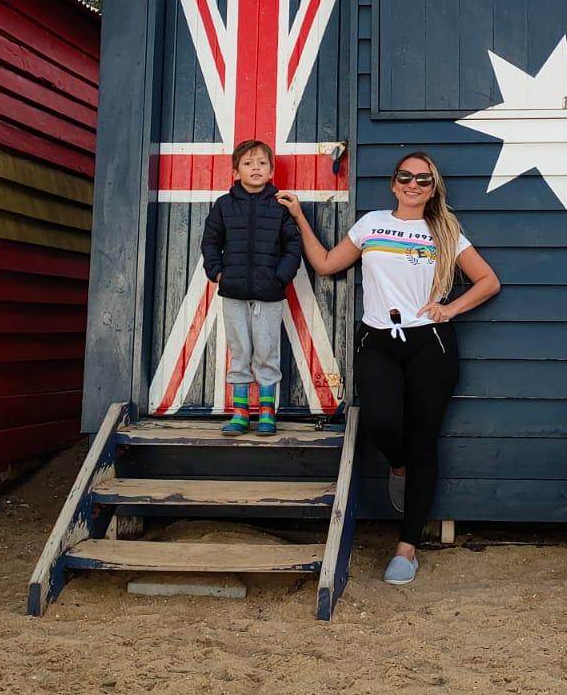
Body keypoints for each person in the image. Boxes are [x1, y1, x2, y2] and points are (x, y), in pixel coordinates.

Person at [277, 151, 499, 586]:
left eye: (424, 179)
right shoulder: (371, 224)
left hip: (430, 344)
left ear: (433, 188)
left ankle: (407, 547)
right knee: (380, 420)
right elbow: (325, 264)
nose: (414, 184)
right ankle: (396, 466)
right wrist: (301, 218)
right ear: (393, 183)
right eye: (406, 177)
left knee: (424, 442)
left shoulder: (446, 231)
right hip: (377, 339)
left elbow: (489, 281)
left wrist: (449, 308)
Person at [201, 139, 303, 436]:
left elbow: (292, 245)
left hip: (269, 293)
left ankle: (268, 413)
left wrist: (280, 277)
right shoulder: (224, 205)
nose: (255, 168)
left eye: (261, 163)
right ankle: (241, 412)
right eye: (248, 163)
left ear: (271, 170)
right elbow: (210, 241)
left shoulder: (280, 206)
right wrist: (217, 272)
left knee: (267, 349)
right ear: (236, 172)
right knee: (240, 349)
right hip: (233, 291)